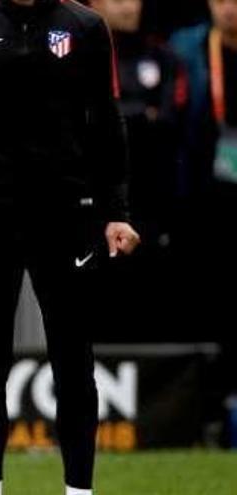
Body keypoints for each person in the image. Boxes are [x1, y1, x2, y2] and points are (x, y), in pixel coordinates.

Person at [0, 1, 140, 495]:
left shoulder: (84, 26)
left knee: (74, 358)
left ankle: (79, 492)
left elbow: (107, 118)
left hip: (67, 212)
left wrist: (117, 211)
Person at [170, 0, 237, 425]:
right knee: (209, 301)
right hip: (206, 197)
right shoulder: (188, 47)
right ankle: (208, 409)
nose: (230, 9)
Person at [90, 0, 187, 246]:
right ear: (94, 3)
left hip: (152, 196)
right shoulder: (81, 54)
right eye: (118, 0)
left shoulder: (163, 55)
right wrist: (143, 113)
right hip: (96, 201)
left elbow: (169, 119)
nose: (129, 7)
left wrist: (119, 116)